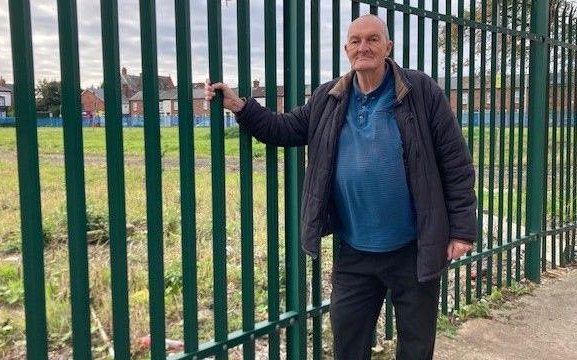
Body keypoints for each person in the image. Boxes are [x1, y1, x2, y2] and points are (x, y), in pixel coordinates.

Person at [204, 14, 476, 360]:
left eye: (373, 39)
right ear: (347, 49)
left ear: (388, 47)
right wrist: (241, 106)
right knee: (348, 344)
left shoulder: (421, 91)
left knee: (417, 346)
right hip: (355, 252)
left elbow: (455, 162)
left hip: (414, 246)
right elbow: (286, 128)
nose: (364, 47)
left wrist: (463, 230)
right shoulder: (329, 98)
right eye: (356, 41)